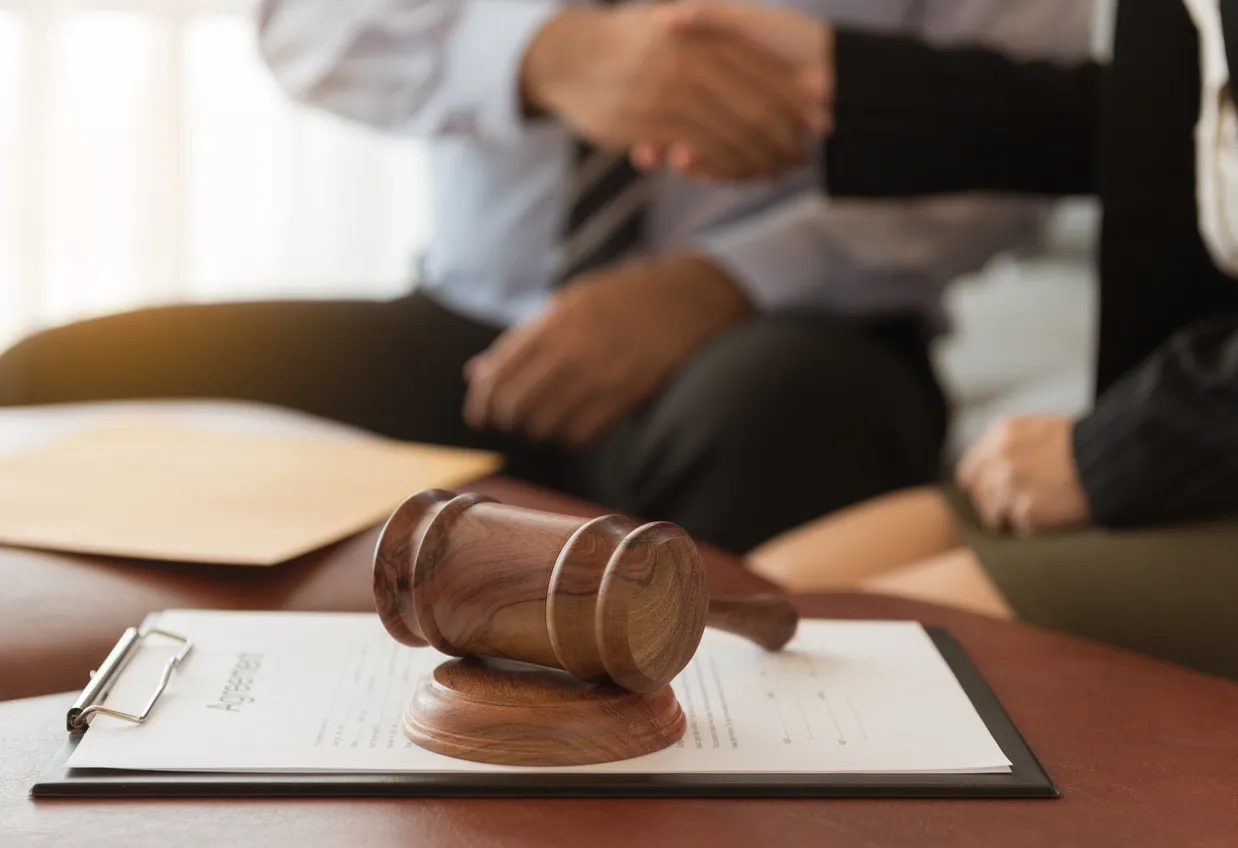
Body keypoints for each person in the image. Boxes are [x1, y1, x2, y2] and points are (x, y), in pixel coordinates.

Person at [0, 1, 1089, 553]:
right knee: (55, 380)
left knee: (783, 414)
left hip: (797, 329)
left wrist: (725, 278)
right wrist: (541, 51)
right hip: (470, 324)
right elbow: (301, 26)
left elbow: (1036, 144)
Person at [658, 0, 1238, 678]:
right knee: (746, 603)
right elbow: (1164, 122)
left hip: (1200, 430)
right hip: (1200, 432)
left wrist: (1123, 448)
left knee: (810, 660)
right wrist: (841, 78)